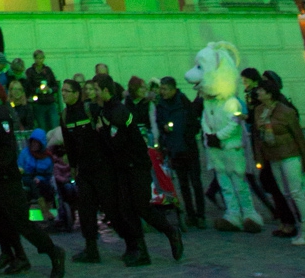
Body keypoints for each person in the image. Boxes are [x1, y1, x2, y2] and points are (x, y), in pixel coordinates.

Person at [0, 77, 65, 278]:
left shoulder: (0, 112)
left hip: (6, 181)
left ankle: (54, 253)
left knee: (23, 225)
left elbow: (8, 148)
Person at [94, 74, 182, 266]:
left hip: (136, 165)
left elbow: (118, 142)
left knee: (141, 206)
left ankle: (170, 231)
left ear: (106, 90)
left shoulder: (117, 111)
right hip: (124, 166)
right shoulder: (107, 110)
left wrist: (102, 131)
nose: (95, 94)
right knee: (127, 209)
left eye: (97, 90)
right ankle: (140, 251)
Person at [251, 80, 305, 246]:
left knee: (296, 192)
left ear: (269, 93)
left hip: (290, 155)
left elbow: (299, 137)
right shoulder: (259, 111)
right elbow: (257, 136)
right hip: (273, 157)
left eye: (260, 91)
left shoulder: (285, 111)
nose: (258, 93)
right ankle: (301, 227)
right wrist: (259, 158)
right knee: (286, 194)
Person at [60, 79, 109, 263]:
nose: (63, 93)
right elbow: (69, 144)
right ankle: (91, 249)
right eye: (62, 90)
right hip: (83, 170)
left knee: (111, 207)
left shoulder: (90, 110)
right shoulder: (65, 115)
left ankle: (134, 244)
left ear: (76, 93)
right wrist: (73, 167)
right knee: (86, 210)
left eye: (67, 91)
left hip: (101, 167)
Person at [155, 77, 205, 228]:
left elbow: (195, 124)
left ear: (173, 89)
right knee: (183, 184)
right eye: (161, 89)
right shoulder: (161, 106)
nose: (161, 92)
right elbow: (159, 123)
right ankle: (190, 214)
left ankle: (200, 215)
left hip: (188, 147)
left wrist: (186, 134)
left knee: (196, 182)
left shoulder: (184, 103)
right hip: (174, 149)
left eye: (164, 89)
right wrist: (164, 129)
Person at [18, 130, 56, 224]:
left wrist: (40, 178)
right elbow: (19, 166)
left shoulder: (47, 157)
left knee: (47, 187)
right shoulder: (25, 153)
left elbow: (49, 173)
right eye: (33, 142)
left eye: (37, 143)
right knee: (32, 184)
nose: (34, 145)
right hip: (26, 178)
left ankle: (49, 208)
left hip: (41, 180)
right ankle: (44, 211)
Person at [24, 50, 59, 133]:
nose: (39, 60)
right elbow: (28, 87)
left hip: (50, 102)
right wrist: (37, 90)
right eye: (37, 58)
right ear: (34, 59)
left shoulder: (48, 70)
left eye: (41, 58)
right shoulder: (30, 72)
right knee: (42, 127)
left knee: (55, 126)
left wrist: (49, 90)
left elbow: (55, 86)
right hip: (38, 103)